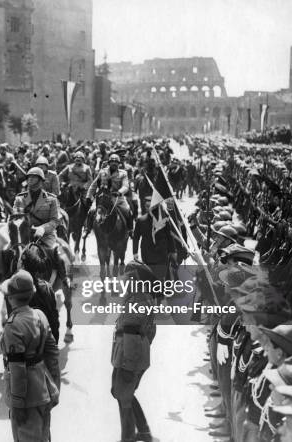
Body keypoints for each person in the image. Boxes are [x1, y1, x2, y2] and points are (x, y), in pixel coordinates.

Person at [0, 269, 60, 442]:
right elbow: (53, 354)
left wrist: (17, 406)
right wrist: (54, 388)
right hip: (44, 390)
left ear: (11, 298)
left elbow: (17, 369)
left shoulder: (13, 326)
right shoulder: (40, 315)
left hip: (26, 400)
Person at [111, 261, 157, 442]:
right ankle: (144, 431)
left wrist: (129, 365)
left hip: (130, 354)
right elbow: (151, 332)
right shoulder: (138, 295)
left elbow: (130, 331)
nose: (125, 279)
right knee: (121, 392)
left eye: (129, 277)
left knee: (122, 393)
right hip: (133, 351)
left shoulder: (137, 299)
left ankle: (128, 437)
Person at [13, 167, 70, 289]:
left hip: (46, 236)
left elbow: (55, 220)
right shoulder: (19, 198)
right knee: (11, 254)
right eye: (28, 177)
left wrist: (43, 229)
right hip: (25, 236)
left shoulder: (51, 199)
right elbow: (15, 218)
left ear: (40, 180)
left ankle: (64, 280)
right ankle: (6, 280)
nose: (30, 179)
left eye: (33, 177)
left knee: (57, 255)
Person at [85, 153, 133, 235]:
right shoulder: (102, 172)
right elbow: (94, 185)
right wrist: (88, 196)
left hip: (117, 198)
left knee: (128, 210)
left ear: (119, 164)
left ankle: (130, 230)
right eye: (112, 162)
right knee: (92, 210)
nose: (114, 164)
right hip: (103, 198)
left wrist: (119, 192)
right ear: (109, 163)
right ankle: (87, 229)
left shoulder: (123, 173)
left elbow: (126, 186)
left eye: (116, 162)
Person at [132, 196, 176, 280]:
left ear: (156, 206)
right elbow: (136, 237)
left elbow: (169, 236)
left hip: (161, 255)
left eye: (151, 206)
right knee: (149, 279)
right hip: (147, 255)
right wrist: (135, 253)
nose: (149, 208)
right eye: (147, 206)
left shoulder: (164, 220)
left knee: (161, 279)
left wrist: (173, 251)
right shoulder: (140, 220)